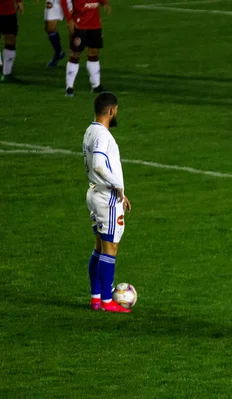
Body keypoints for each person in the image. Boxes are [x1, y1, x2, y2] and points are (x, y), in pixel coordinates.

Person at [82, 92, 131, 313]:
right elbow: (99, 165)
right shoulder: (103, 136)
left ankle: (95, 298)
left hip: (94, 193)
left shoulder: (90, 130)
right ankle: (107, 301)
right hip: (106, 197)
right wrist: (118, 187)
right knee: (110, 248)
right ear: (111, 111)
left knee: (99, 247)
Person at [60, 0, 110, 96]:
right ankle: (69, 87)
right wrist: (69, 19)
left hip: (95, 24)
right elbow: (64, 1)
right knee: (75, 54)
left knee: (94, 53)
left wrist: (104, 2)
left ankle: (96, 86)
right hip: (79, 24)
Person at [0, 0, 23, 82]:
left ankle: (6, 74)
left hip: (9, 12)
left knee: (11, 39)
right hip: (7, 12)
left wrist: (19, 1)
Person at [44, 0, 71, 67]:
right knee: (50, 29)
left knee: (72, 29)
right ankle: (58, 53)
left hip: (71, 2)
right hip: (55, 2)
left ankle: (73, 60)